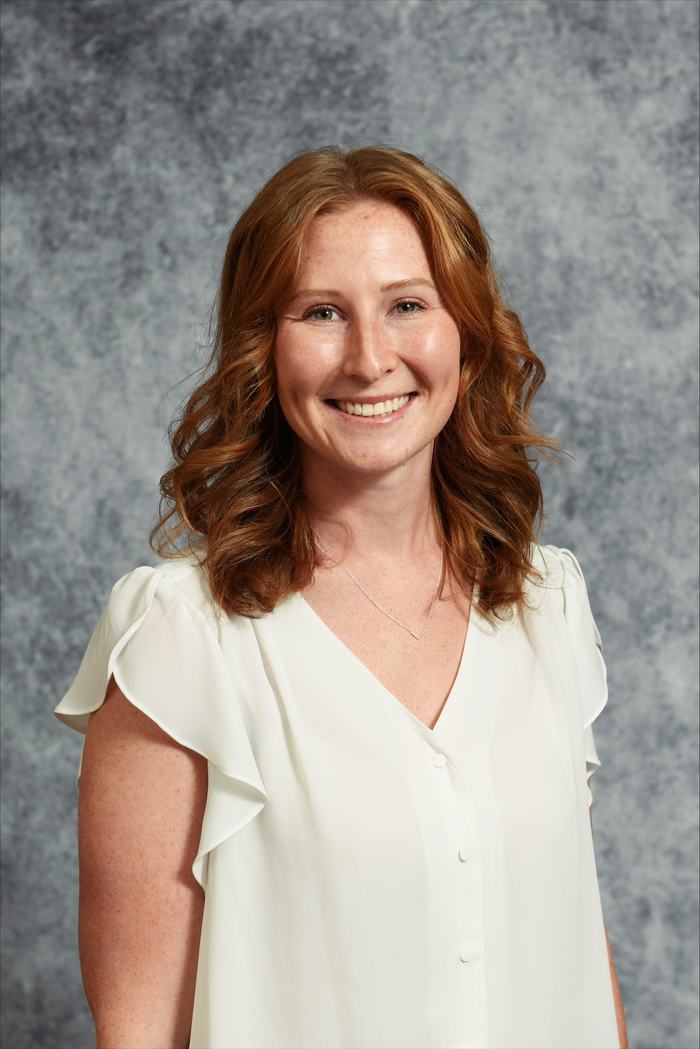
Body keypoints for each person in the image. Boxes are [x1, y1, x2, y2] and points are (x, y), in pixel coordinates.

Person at [54, 144, 628, 1049]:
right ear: (262, 349)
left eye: (408, 305)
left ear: (467, 338)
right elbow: (137, 1032)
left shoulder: (548, 606)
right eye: (322, 312)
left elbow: (571, 950)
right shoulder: (179, 640)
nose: (370, 358)